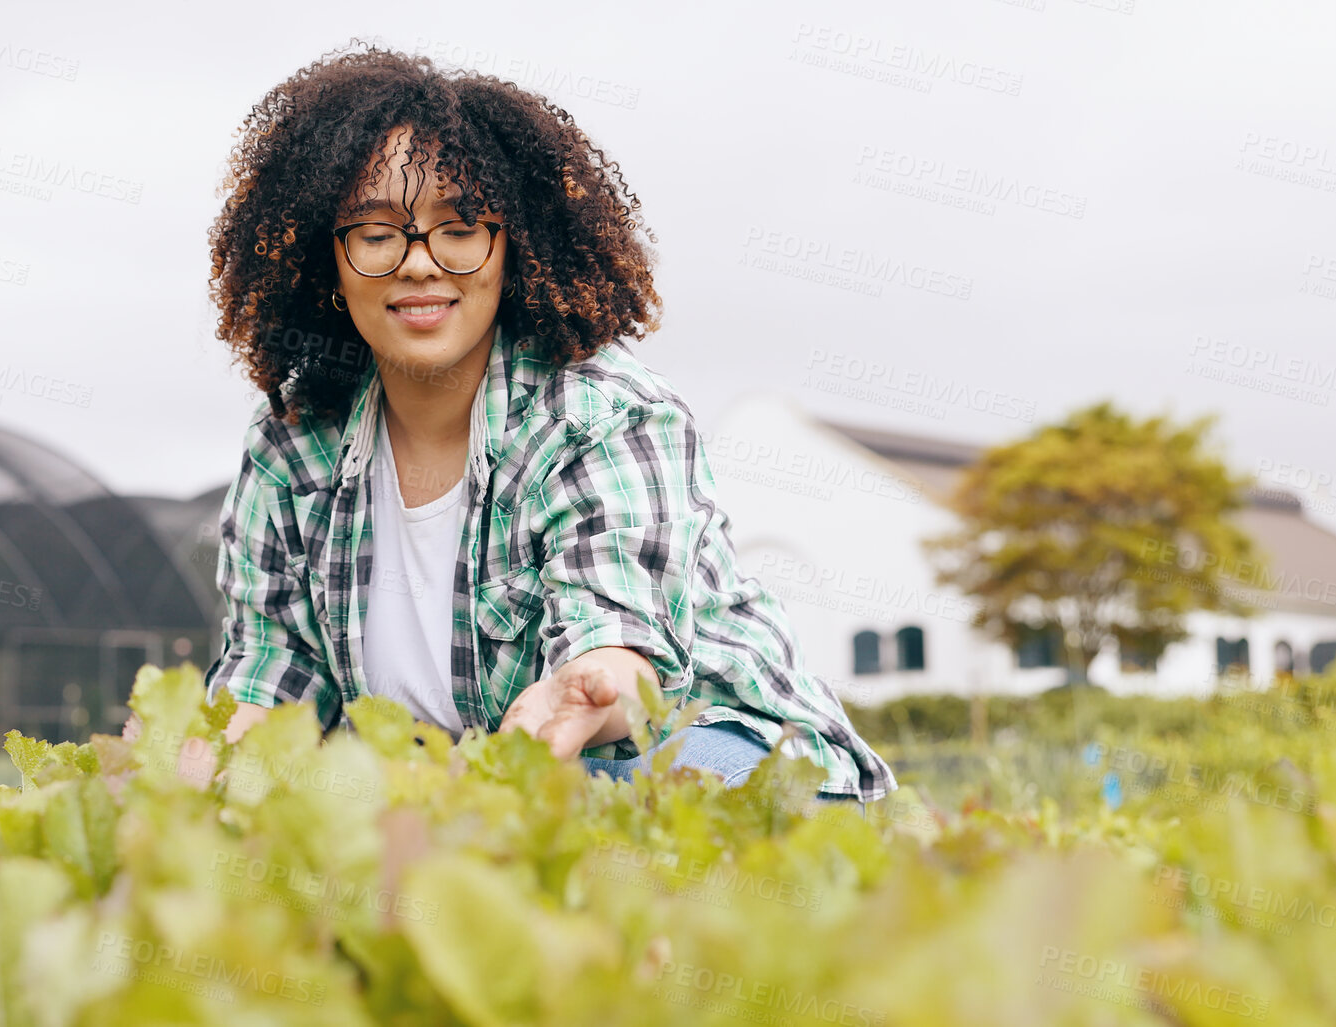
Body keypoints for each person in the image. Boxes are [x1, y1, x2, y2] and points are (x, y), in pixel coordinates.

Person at [194, 41, 896, 806]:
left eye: (459, 227)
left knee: (621, 794)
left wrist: (581, 691)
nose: (420, 263)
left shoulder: (603, 415)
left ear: (514, 248)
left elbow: (615, 644)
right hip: (473, 788)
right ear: (321, 259)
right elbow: (269, 675)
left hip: (704, 745)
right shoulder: (290, 455)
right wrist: (194, 771)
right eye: (375, 233)